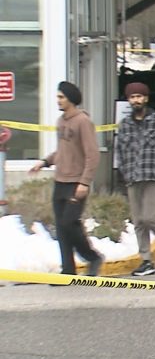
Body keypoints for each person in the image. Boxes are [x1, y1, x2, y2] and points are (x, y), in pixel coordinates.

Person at [28, 82, 104, 277]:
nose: (58, 101)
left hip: (76, 182)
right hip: (60, 181)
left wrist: (84, 182)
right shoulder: (61, 121)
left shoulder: (83, 121)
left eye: (61, 97)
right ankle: (68, 270)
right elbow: (62, 151)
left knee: (70, 222)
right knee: (62, 228)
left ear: (71, 99)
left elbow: (92, 155)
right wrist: (44, 162)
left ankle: (92, 257)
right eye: (58, 97)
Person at [116, 81, 155, 276]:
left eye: (139, 96)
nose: (136, 100)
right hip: (133, 178)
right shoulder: (125, 125)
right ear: (129, 100)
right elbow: (119, 150)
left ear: (146, 98)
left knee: (149, 217)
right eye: (132, 97)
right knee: (138, 221)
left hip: (152, 177)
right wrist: (125, 171)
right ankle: (146, 260)